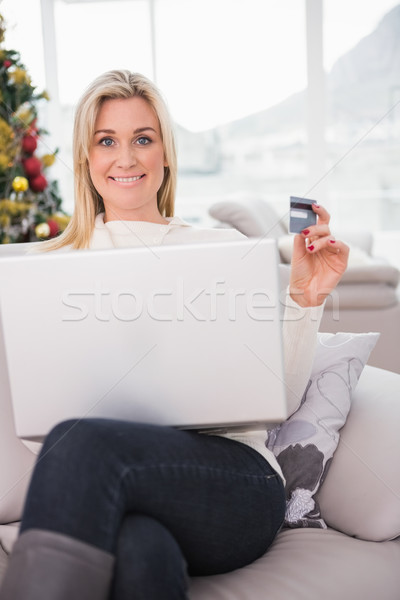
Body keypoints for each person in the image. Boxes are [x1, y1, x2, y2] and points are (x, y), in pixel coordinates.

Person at [0, 70, 349, 600]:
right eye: (107, 141)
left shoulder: (220, 247)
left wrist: (305, 296)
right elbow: (41, 436)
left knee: (89, 444)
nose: (127, 158)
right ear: (85, 160)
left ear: (165, 153)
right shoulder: (49, 268)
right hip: (123, 485)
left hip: (233, 482)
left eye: (143, 138)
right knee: (140, 548)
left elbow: (278, 395)